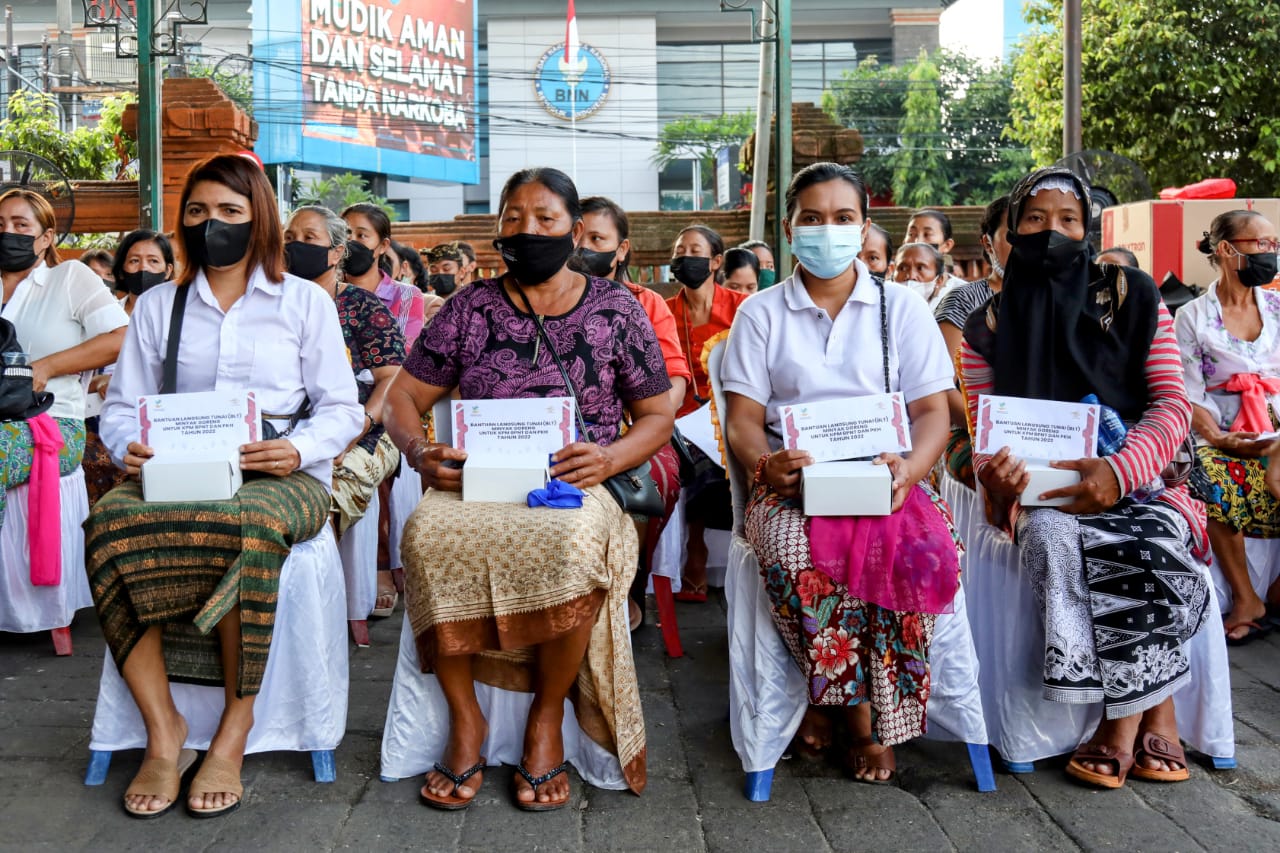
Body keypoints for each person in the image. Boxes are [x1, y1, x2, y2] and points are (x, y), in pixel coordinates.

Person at [383, 167, 672, 810]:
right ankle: (467, 721)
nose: (527, 229)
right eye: (513, 217)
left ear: (574, 226)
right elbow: (402, 397)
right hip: (478, 479)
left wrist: (610, 457)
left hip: (576, 481)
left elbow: (657, 415)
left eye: (545, 218)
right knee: (427, 534)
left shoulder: (615, 309)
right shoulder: (468, 308)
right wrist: (421, 450)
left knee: (572, 543)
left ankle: (545, 719)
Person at [88, 154, 362, 818]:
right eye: (199, 212)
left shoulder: (305, 302)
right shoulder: (159, 304)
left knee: (246, 527)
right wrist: (131, 448)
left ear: (260, 217)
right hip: (177, 467)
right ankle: (164, 729)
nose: (214, 224)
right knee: (107, 528)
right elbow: (122, 408)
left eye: (231, 212)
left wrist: (294, 448)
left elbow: (344, 409)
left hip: (280, 474)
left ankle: (234, 729)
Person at [961, 166, 1210, 790]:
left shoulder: (1132, 295)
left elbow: (1172, 405)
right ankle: (1157, 710)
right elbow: (981, 430)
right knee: (1052, 540)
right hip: (1044, 492)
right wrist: (1000, 477)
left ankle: (1118, 724)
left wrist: (1120, 473)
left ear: (1089, 227)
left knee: (1154, 538)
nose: (1053, 232)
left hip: (1141, 475)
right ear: (1011, 232)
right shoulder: (986, 324)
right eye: (1036, 220)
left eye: (1068, 220)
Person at [722, 162, 960, 782]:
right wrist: (764, 464)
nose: (827, 230)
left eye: (843, 218)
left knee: (914, 552)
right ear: (788, 227)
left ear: (863, 228)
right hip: (793, 483)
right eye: (813, 219)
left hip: (888, 479)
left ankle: (864, 714)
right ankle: (850, 708)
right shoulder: (761, 314)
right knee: (789, 548)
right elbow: (743, 421)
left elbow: (934, 413)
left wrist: (910, 469)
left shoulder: (901, 308)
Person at [0, 188, 129, 639]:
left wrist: (45, 367)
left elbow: (120, 337)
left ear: (45, 237)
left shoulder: (68, 278)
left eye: (21, 225)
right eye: (1, 225)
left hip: (53, 422)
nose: (8, 233)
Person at [575, 194, 692, 628]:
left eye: (597, 238)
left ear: (621, 249)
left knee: (652, 475)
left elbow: (675, 377)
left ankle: (628, 584)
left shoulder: (645, 302)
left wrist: (652, 419)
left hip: (632, 428)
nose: (584, 247)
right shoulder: (548, 297)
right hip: (567, 428)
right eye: (577, 236)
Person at [283, 207, 406, 617]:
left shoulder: (361, 306)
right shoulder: (273, 303)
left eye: (309, 238)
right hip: (292, 429)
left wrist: (358, 426)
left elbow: (392, 379)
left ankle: (314, 603)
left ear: (336, 254)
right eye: (289, 236)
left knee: (326, 493)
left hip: (367, 429)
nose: (294, 245)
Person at [1174, 210, 1280, 643]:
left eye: (1275, 246)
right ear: (1227, 249)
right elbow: (1188, 395)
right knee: (1207, 474)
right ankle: (1246, 595)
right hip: (1221, 434)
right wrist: (1219, 437)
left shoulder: (1277, 308)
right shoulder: (1192, 318)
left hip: (1278, 433)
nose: (1271, 255)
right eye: (1262, 245)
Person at [665, 224, 748, 601]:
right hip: (678, 413)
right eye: (679, 250)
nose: (684, 257)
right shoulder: (665, 312)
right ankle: (694, 551)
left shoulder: (741, 308)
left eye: (694, 250)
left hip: (729, 408)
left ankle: (713, 550)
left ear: (715, 261)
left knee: (719, 443)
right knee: (690, 447)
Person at [82, 230, 178, 506]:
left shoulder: (181, 316)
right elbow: (79, 372)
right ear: (122, 267)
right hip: (100, 417)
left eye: (153, 261)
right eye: (134, 261)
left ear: (168, 269)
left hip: (160, 420)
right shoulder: (103, 317)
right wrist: (100, 383)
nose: (143, 268)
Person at [935, 196, 1011, 485]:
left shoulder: (1057, 300)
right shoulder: (964, 300)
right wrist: (994, 431)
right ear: (989, 244)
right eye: (1012, 235)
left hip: (1042, 432)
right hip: (970, 432)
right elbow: (945, 386)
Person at [341, 203, 425, 348]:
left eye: (362, 235)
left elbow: (404, 353)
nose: (351, 242)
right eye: (346, 234)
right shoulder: (327, 292)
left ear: (383, 245)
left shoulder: (406, 296)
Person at [905, 209, 967, 289]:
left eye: (927, 234)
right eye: (911, 234)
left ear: (947, 245)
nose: (918, 241)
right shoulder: (891, 286)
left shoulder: (964, 293)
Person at [893, 241, 956, 310]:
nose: (911, 276)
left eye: (920, 268)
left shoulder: (950, 310)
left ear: (939, 280)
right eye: (902, 268)